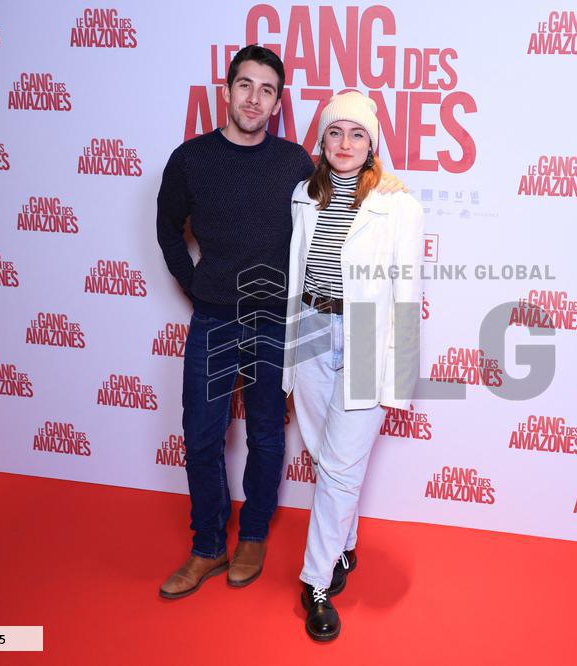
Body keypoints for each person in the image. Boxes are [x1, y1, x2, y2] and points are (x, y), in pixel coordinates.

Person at [156, 47, 404, 598]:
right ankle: (206, 546)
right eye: (245, 85)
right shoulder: (190, 159)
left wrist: (386, 182)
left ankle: (254, 536)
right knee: (201, 436)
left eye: (267, 90)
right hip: (216, 317)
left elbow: (349, 191)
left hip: (276, 323)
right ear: (227, 90)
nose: (254, 98)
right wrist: (195, 284)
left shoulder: (296, 164)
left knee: (268, 434)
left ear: (277, 101)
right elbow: (168, 228)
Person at [282, 91, 424, 641]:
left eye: (357, 135)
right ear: (321, 142)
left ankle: (315, 582)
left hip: (365, 336)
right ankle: (343, 548)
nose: (345, 144)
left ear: (372, 146)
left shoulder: (400, 205)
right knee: (324, 455)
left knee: (340, 467)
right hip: (312, 330)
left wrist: (400, 381)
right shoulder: (303, 196)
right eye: (335, 133)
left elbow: (406, 297)